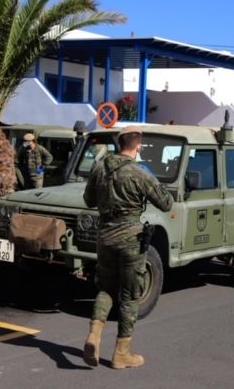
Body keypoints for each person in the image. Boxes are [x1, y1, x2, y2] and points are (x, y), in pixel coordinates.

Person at [82, 126, 173, 369]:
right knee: (130, 295)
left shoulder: (100, 168)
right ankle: (122, 353)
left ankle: (94, 335)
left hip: (105, 237)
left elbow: (88, 200)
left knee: (106, 287)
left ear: (118, 142)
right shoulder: (139, 173)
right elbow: (166, 203)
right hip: (131, 239)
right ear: (138, 145)